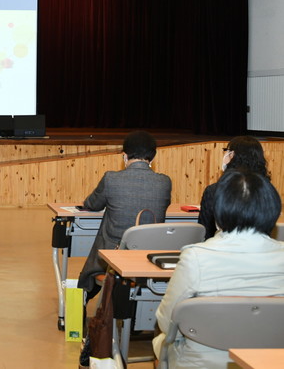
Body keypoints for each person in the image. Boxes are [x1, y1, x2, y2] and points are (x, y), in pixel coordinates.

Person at [153, 170, 284, 368]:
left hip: (202, 362)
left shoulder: (195, 257)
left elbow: (166, 321)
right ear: (272, 211)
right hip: (271, 360)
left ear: (219, 211)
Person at [77, 131, 172, 296]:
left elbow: (92, 204)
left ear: (124, 156)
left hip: (114, 256)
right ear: (152, 158)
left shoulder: (111, 178)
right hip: (150, 256)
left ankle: (86, 295)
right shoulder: (164, 182)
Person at [198, 136, 269, 239]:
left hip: (221, 247)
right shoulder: (268, 191)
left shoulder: (214, 191)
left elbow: (205, 232)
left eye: (226, 151)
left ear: (232, 155)